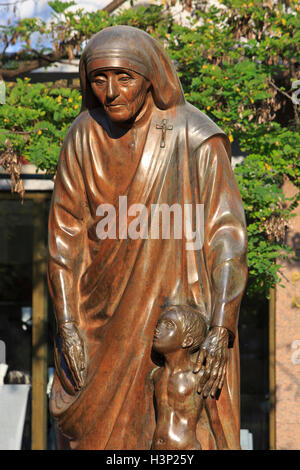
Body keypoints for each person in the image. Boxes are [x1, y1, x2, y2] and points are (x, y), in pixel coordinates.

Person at [48, 25, 248, 450]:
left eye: (124, 77)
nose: (111, 92)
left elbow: (227, 236)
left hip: (173, 318)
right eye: (99, 79)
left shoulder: (195, 137)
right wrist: (66, 321)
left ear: (151, 78)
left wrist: (220, 326)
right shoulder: (82, 136)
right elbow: (65, 239)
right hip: (96, 321)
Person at [151, 305, 208, 450]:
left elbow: (216, 423)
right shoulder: (156, 375)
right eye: (159, 324)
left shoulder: (199, 376)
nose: (158, 330)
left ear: (187, 341)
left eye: (168, 325)